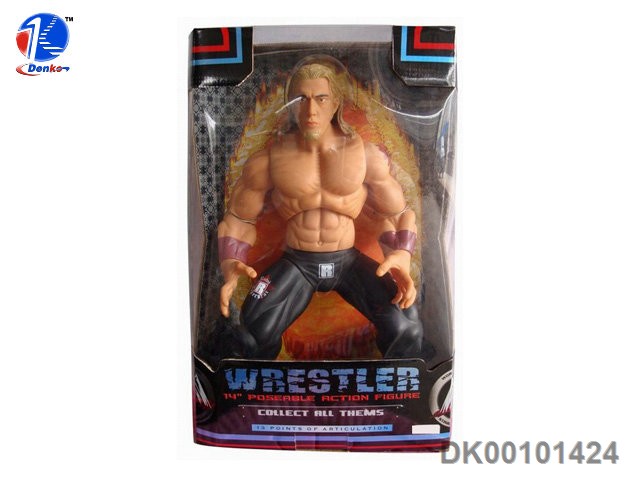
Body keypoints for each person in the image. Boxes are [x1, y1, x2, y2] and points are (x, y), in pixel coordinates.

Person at [217, 56, 426, 360]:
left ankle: (394, 386)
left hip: (349, 263)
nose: (311, 109)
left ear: (336, 102)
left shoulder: (365, 155)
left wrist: (402, 255)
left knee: (406, 326)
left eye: (321, 98)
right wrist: (231, 265)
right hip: (297, 264)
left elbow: (399, 213)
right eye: (301, 99)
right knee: (251, 331)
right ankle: (265, 388)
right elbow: (238, 218)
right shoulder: (270, 159)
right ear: (290, 104)